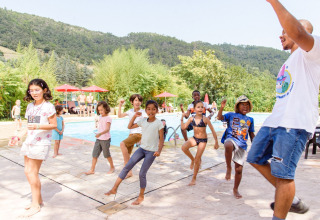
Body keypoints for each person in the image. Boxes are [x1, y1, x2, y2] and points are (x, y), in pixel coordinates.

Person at [246, 1, 320, 219]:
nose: (281, 35)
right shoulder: (290, 60)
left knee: (285, 175)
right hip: (275, 121)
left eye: (285, 31)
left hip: (294, 124)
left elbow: (297, 30)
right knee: (255, 157)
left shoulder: (312, 51)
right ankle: (292, 200)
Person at [105, 100, 164, 205]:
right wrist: (135, 116)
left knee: (142, 173)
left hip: (151, 152)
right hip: (142, 149)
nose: (151, 111)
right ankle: (114, 188)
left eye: (153, 109)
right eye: (149, 109)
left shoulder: (159, 123)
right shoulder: (143, 121)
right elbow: (130, 127)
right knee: (127, 166)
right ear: (146, 110)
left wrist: (159, 151)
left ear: (156, 110)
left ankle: (141, 196)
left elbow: (161, 139)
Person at [20, 78, 57, 217]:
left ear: (44, 90)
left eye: (37, 90)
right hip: (30, 141)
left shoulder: (48, 106)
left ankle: (35, 205)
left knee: (32, 172)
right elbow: (29, 125)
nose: (34, 92)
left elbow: (53, 125)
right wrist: (19, 136)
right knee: (27, 171)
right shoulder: (31, 106)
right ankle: (38, 200)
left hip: (41, 143)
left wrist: (37, 126)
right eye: (31, 90)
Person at [217, 96, 255, 199]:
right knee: (228, 145)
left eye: (247, 105)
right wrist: (221, 108)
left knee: (239, 170)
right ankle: (228, 167)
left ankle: (235, 189)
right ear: (238, 106)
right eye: (243, 104)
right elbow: (219, 118)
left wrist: (256, 147)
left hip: (242, 144)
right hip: (231, 139)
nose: (245, 107)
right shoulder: (231, 115)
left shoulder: (250, 119)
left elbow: (251, 134)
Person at [181, 100, 219, 186]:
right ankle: (192, 159)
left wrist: (216, 141)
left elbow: (213, 130)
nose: (200, 108)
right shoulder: (192, 118)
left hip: (203, 140)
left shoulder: (205, 119)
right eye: (198, 107)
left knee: (198, 159)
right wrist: (181, 118)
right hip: (195, 138)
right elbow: (183, 127)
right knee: (183, 147)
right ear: (194, 109)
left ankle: (194, 178)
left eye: (202, 107)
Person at [117, 94, 147, 178]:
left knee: (122, 144)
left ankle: (126, 169)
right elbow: (119, 116)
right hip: (131, 134)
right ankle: (129, 172)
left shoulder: (143, 112)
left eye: (139, 100)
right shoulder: (130, 111)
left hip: (138, 134)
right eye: (136, 100)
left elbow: (146, 123)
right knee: (127, 153)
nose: (138, 102)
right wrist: (120, 105)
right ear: (132, 102)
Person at [85, 101, 115, 175]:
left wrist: (100, 133)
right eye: (99, 110)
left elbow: (107, 129)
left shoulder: (108, 118)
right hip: (99, 139)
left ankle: (112, 167)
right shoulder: (100, 117)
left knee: (107, 155)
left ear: (106, 108)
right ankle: (92, 169)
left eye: (101, 110)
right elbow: (100, 127)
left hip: (105, 139)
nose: (100, 111)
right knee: (94, 154)